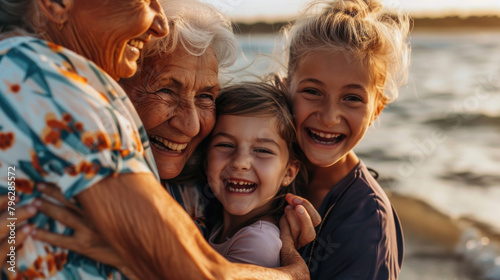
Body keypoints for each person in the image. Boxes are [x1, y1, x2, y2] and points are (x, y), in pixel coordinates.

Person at [0, 0, 314, 279]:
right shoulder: (50, 82)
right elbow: (202, 273)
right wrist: (294, 273)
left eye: (206, 97)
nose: (191, 126)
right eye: (165, 89)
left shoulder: (204, 177)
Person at [282, 0, 411, 279]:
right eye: (312, 92)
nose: (329, 117)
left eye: (352, 98)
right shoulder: (261, 166)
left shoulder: (368, 225)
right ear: (285, 89)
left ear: (376, 109)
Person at [205, 82, 301, 267]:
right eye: (225, 145)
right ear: (205, 158)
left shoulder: (258, 242)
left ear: (288, 172)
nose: (240, 162)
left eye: (262, 150)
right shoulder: (216, 226)